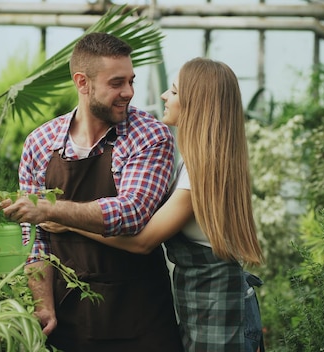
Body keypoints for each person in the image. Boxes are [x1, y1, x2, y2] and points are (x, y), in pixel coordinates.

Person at [42, 57, 266, 352]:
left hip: (220, 308)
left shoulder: (204, 171)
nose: (164, 96)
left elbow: (143, 242)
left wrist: (68, 220)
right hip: (206, 304)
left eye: (173, 92)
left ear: (195, 103)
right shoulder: (199, 162)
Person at [0, 32, 183, 351]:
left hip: (138, 320)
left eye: (131, 81)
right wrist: (43, 305)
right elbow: (36, 240)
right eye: (116, 83)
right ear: (82, 83)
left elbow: (132, 213)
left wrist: (51, 210)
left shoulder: (150, 137)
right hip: (68, 320)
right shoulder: (40, 143)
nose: (128, 92)